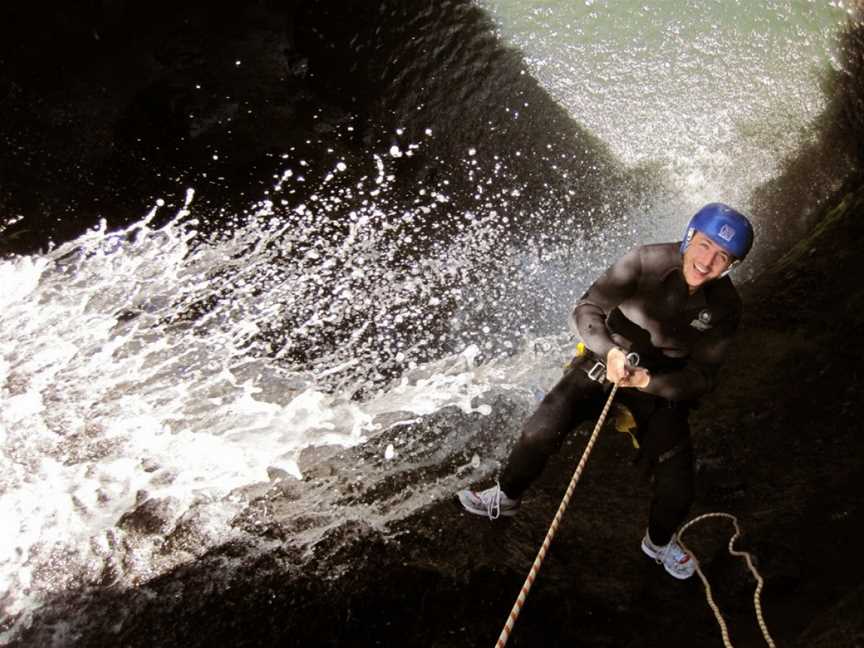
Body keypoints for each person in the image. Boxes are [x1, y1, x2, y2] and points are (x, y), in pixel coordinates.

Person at [457, 203, 754, 580]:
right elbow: (587, 307)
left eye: (722, 256)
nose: (707, 261)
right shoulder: (644, 261)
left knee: (678, 487)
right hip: (607, 361)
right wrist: (610, 351)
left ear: (731, 265)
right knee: (539, 430)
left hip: (659, 385)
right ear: (690, 236)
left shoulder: (727, 305)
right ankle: (506, 495)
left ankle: (658, 543)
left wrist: (650, 383)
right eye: (705, 245)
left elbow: (703, 376)